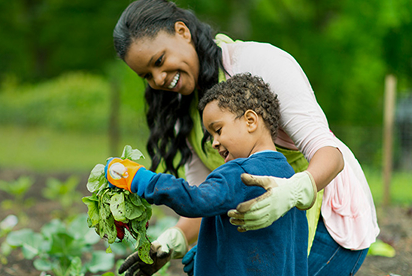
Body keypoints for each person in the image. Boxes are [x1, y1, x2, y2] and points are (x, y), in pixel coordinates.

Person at [112, 0, 379, 275]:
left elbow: (330, 155)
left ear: (182, 32)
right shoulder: (184, 112)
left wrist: (292, 192)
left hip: (327, 216)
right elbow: (207, 196)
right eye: (147, 75)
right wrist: (173, 241)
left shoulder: (259, 63)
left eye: (159, 61)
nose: (158, 79)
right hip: (267, 229)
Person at [106, 73, 309, 275]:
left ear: (250, 121)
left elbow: (196, 200)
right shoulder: (289, 178)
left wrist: (137, 178)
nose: (214, 143)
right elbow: (276, 247)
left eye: (218, 130)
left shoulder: (238, 172)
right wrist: (210, 251)